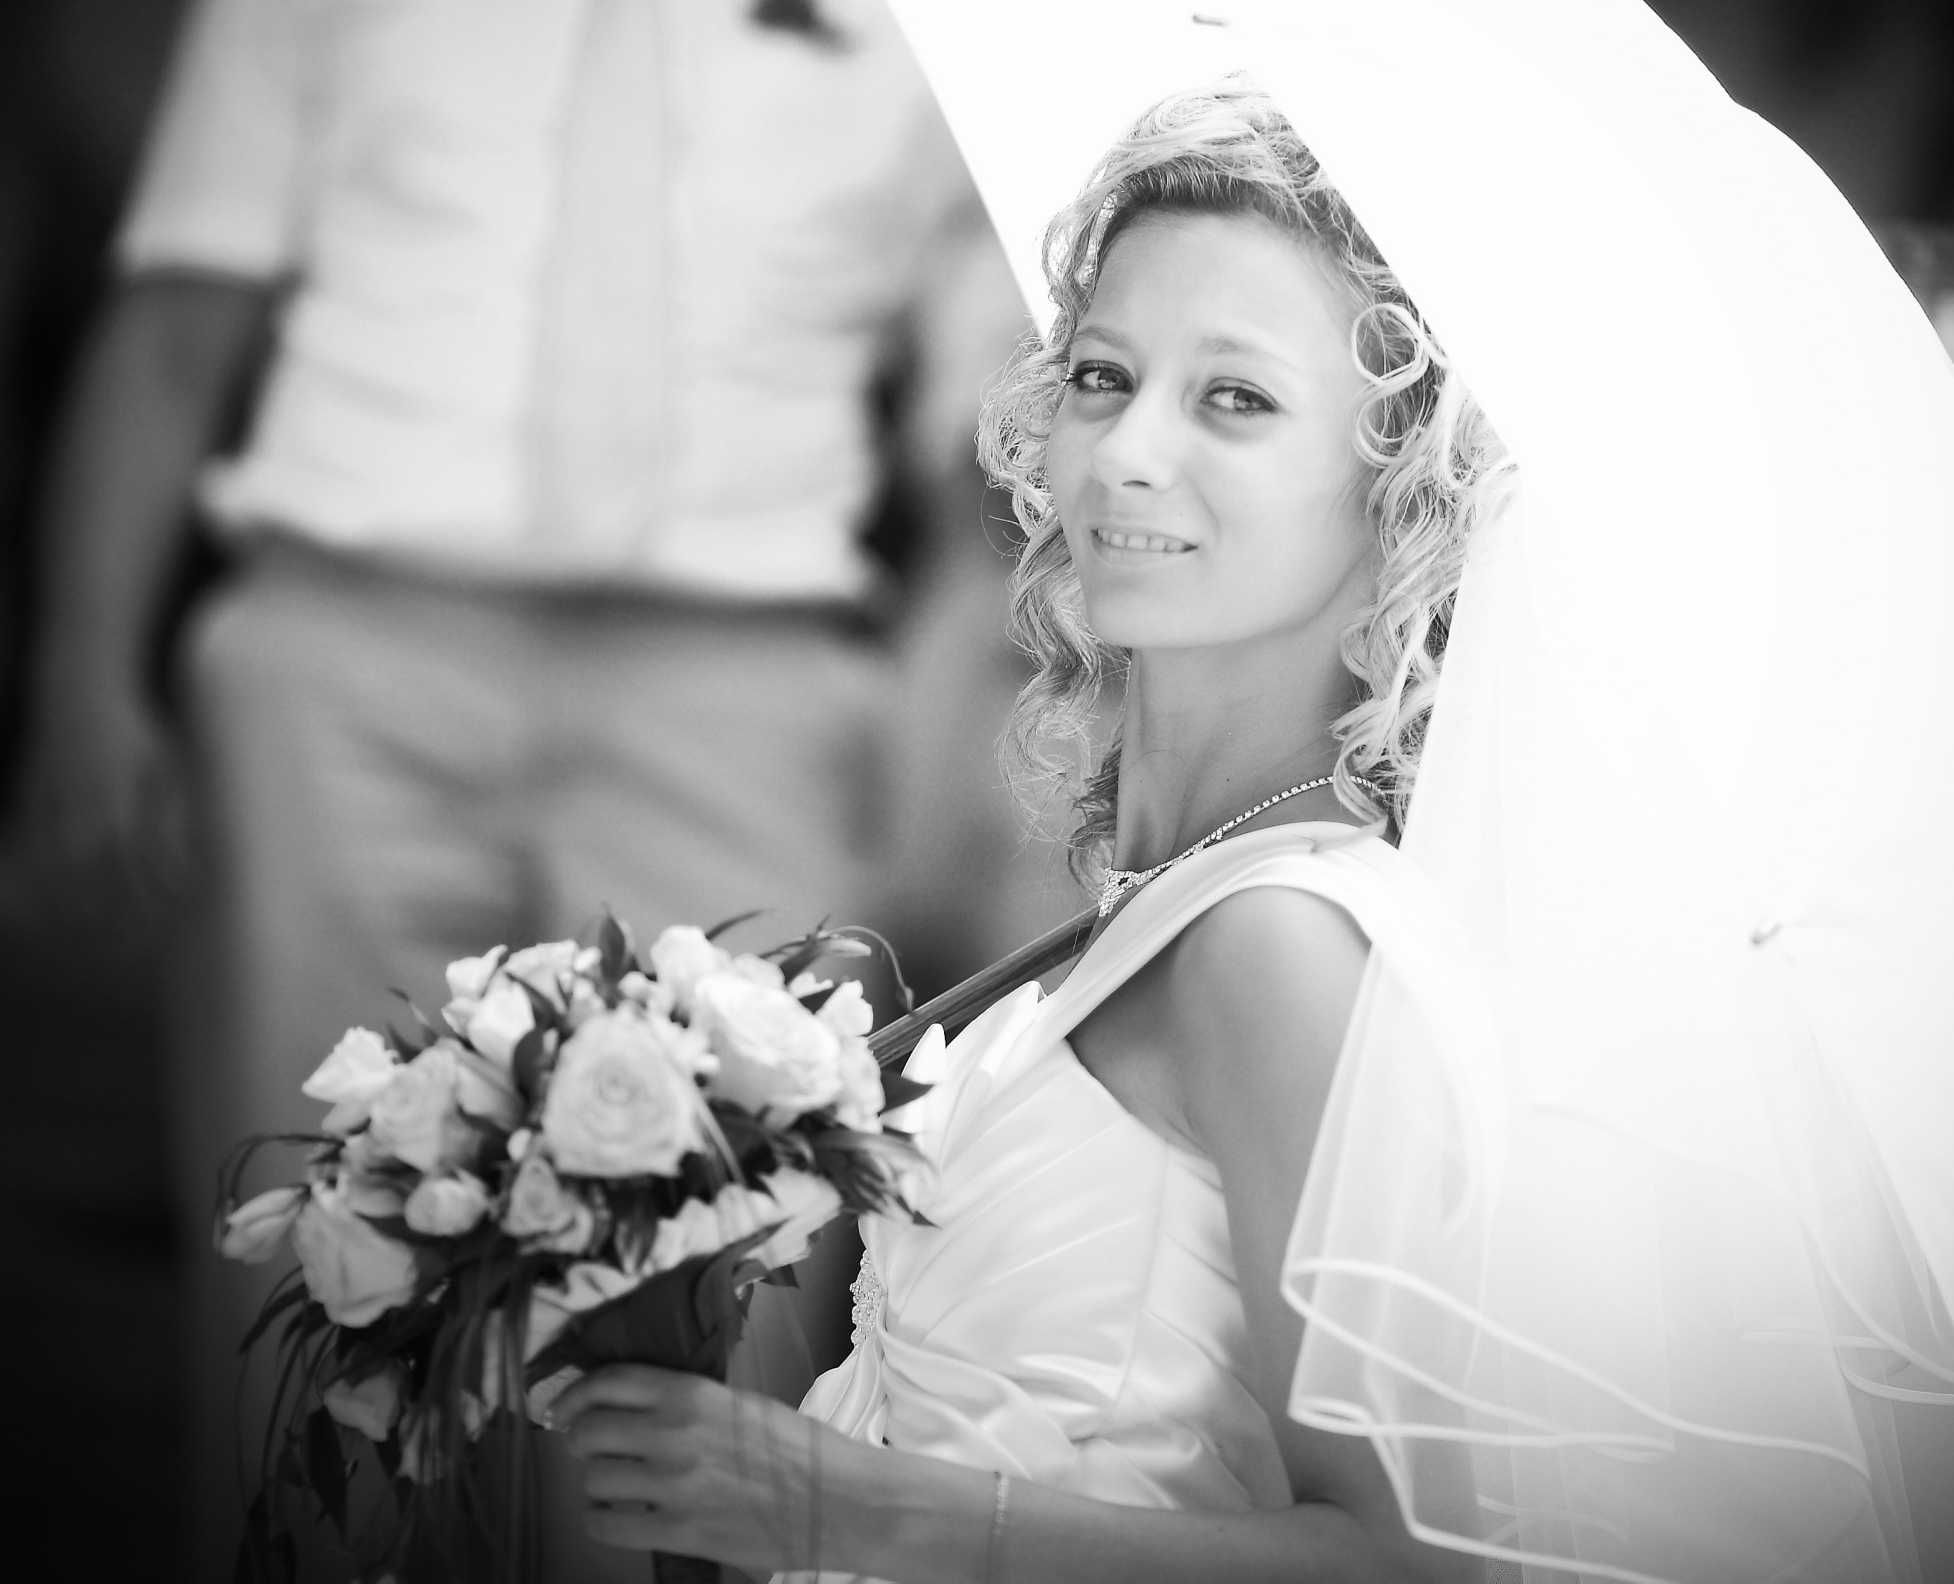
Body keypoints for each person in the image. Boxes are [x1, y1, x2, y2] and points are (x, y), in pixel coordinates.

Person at [18, 0, 978, 1572]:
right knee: (326, 1232)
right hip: (351, 656)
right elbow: (173, 327)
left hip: (741, 673)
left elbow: (983, 395)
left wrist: (954, 698)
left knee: (741, 1250)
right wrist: (81, 675)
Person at [552, 88, 1502, 1579]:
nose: (1126, 451)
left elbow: (1413, 1566)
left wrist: (840, 1510)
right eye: (1105, 376)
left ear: (1401, 485)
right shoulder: (1158, 893)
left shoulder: (1277, 947)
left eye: (1236, 399)